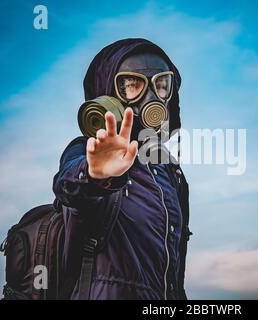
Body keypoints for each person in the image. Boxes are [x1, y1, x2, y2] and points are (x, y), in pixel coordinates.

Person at [53, 39, 192, 300]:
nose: (153, 98)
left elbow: (174, 272)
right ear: (108, 95)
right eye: (133, 84)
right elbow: (68, 186)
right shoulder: (87, 149)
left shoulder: (169, 171)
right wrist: (97, 176)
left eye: (162, 85)